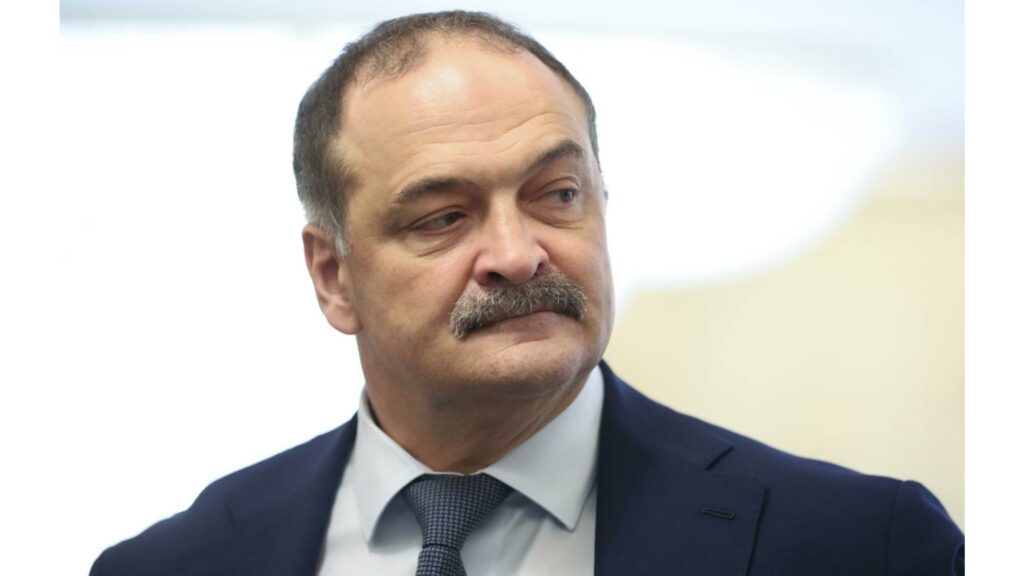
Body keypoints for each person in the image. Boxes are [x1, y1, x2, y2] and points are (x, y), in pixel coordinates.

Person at [90, 10, 964, 576]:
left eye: (557, 195)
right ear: (334, 276)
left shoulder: (862, 545)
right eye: (443, 217)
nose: (517, 254)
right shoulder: (177, 564)